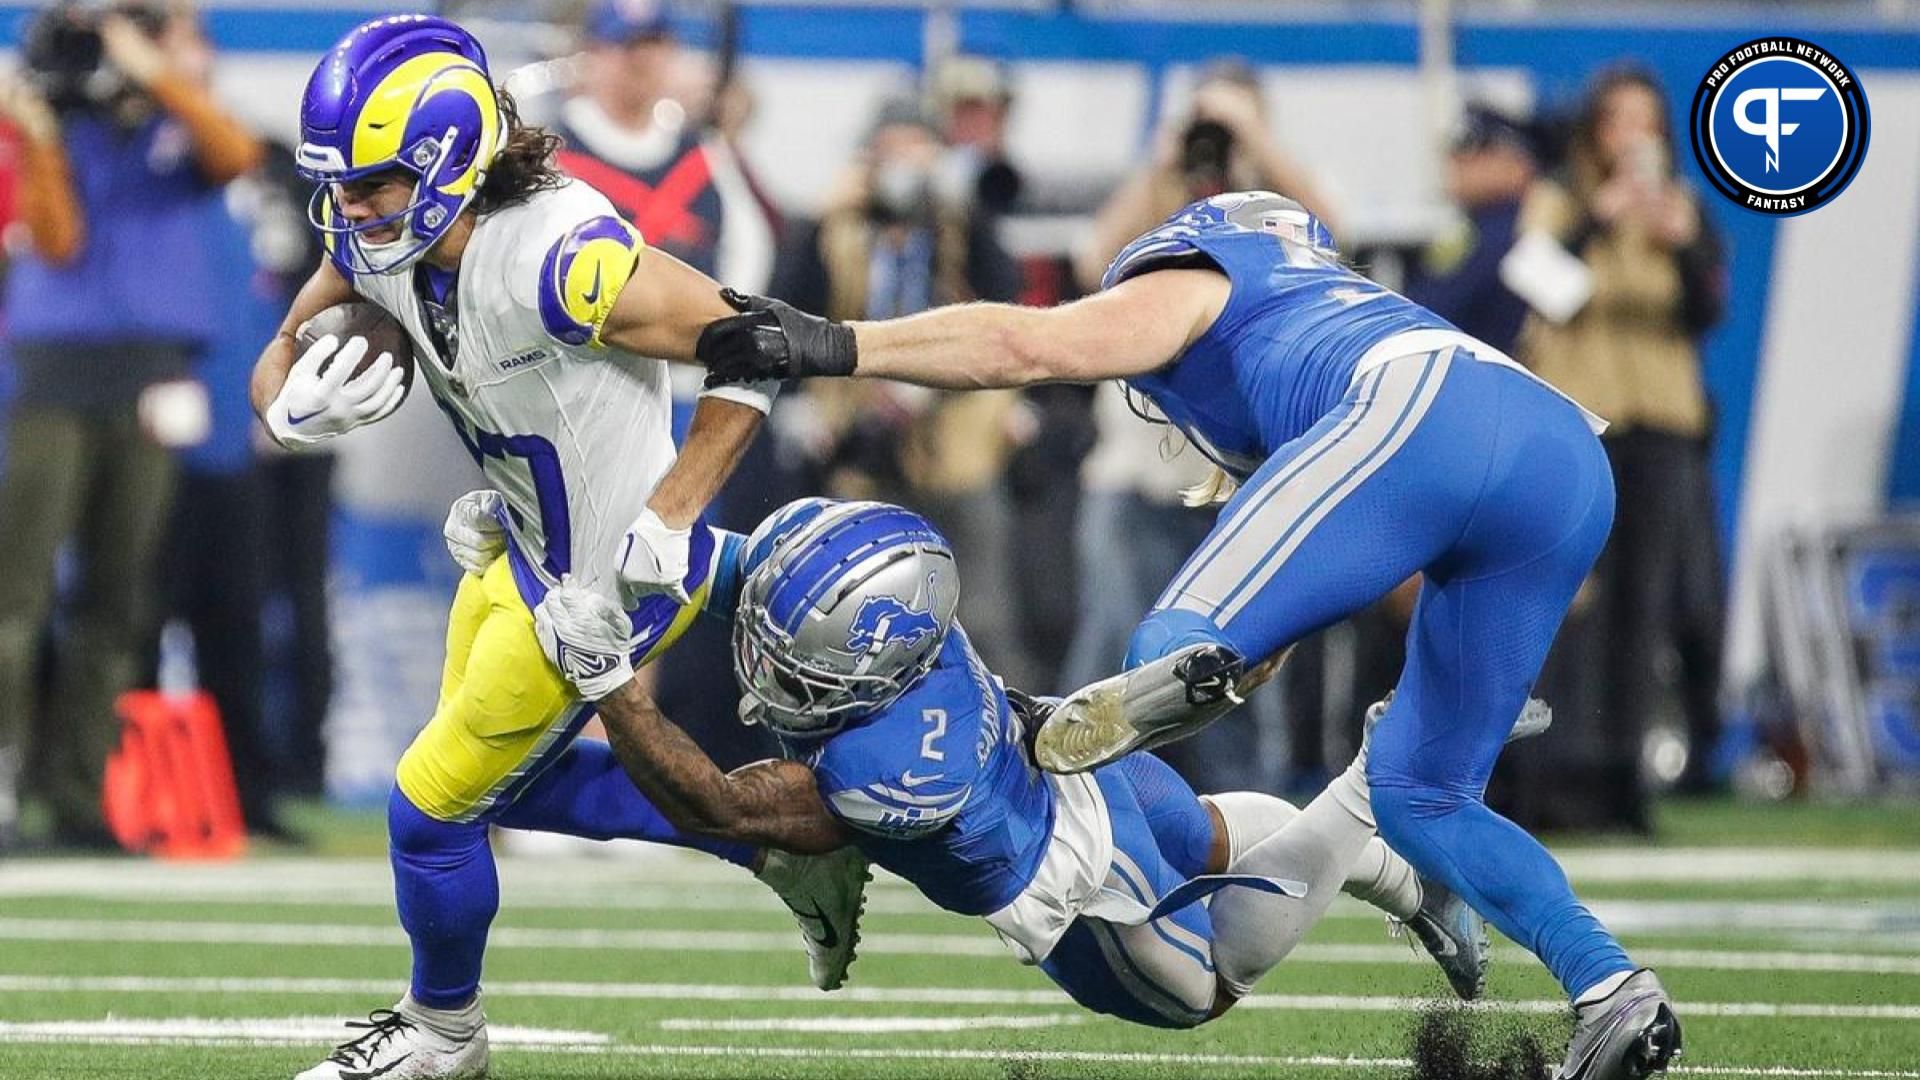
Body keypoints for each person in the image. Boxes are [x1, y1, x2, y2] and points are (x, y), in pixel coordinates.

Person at [694, 191, 1683, 1080]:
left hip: (1425, 412)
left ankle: (1051, 737)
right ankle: (1607, 990)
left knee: (1169, 641)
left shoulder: (1211, 275)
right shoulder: (1325, 321)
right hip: (1565, 464)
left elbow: (1023, 349)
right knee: (1422, 793)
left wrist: (831, 344)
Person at [248, 17, 865, 1080]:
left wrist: (668, 518)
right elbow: (295, 333)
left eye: (375, 184)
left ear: (445, 165)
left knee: (429, 808)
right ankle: (780, 847)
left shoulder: (559, 259)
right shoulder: (378, 223)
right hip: (523, 552)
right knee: (505, 788)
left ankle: (444, 1031)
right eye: (338, 185)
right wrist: (284, 409)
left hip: (607, 577)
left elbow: (754, 344)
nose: (349, 209)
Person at [530, 497, 1501, 1027]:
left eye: (798, 659)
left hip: (1075, 876)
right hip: (1085, 758)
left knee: (1202, 995)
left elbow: (717, 807)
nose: (769, 664)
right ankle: (1416, 889)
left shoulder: (889, 766)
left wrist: (609, 682)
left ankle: (1371, 781)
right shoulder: (861, 593)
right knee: (1206, 833)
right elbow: (689, 551)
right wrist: (541, 547)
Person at [0, 1, 262, 851]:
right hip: (55, 377)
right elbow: (58, 242)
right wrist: (38, 134)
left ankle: (78, 794)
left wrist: (155, 74)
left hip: (151, 377)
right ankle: (8, 785)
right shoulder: (52, 124)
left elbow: (236, 154)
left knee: (116, 599)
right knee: (20, 593)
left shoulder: (173, 125)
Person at [1517, 68, 1727, 809]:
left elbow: (1706, 313)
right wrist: (1596, 220)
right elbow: (1539, 291)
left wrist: (1689, 245)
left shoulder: (1681, 210)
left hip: (1663, 425)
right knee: (1573, 600)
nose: (1635, 137)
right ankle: (1553, 774)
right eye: (1619, 121)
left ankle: (1621, 781)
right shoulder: (1560, 200)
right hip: (1582, 420)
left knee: (1647, 603)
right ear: (1594, 132)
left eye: (1648, 121)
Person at [1403, 102, 1542, 356]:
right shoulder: (1474, 228)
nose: (1457, 162)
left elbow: (1434, 309)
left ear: (1516, 163)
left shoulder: (1518, 231)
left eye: (1477, 152)